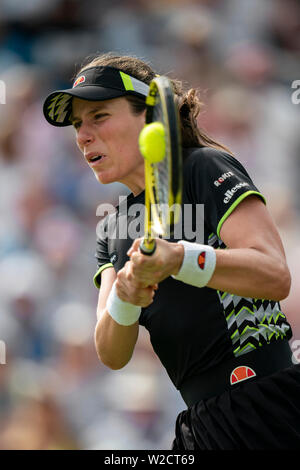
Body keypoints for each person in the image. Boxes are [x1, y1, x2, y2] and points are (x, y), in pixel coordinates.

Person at [43, 53, 300, 450]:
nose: (83, 135)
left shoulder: (204, 166)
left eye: (98, 117)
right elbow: (111, 351)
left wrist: (180, 258)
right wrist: (127, 295)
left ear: (149, 116)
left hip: (270, 406)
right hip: (201, 427)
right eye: (78, 125)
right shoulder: (111, 228)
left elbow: (274, 274)